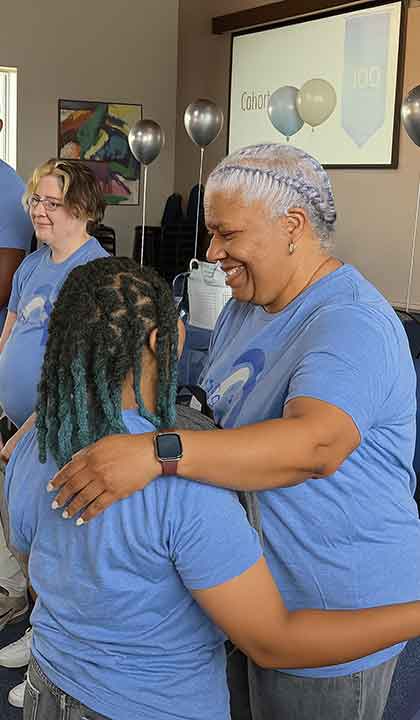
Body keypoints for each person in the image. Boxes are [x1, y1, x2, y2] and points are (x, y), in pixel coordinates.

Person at [45, 144, 420, 720]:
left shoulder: (350, 322)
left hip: (332, 606)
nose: (211, 252)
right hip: (246, 594)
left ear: (292, 226)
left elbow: (316, 444)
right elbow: (211, 413)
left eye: (226, 234)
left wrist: (158, 451)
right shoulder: (247, 307)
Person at [0, 157, 108, 707]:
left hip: (60, 432)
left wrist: (23, 439)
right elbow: (10, 336)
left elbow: (77, 371)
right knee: (22, 537)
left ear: (83, 208)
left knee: (53, 548)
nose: (38, 210)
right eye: (35, 201)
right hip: (17, 427)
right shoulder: (32, 267)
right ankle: (36, 628)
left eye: (51, 202)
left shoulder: (95, 274)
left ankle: (51, 652)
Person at [0, 111, 35, 640]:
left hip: (31, 415)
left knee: (18, 504)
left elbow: (3, 282)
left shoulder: (7, 188)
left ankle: (13, 595)